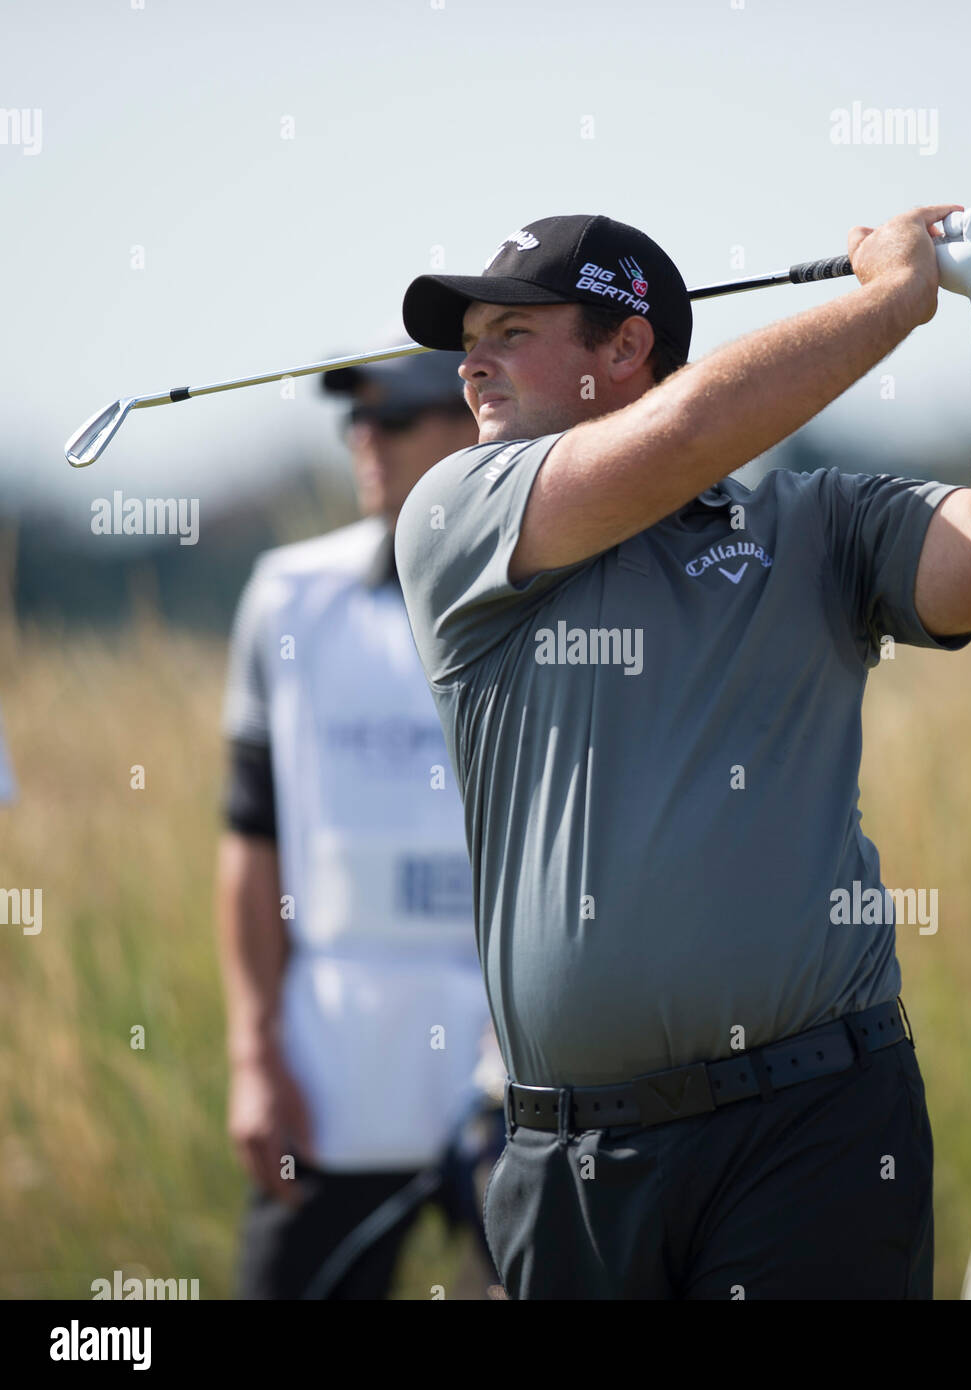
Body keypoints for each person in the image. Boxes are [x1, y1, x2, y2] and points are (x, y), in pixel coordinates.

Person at [392, 206, 971, 1299]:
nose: (470, 361)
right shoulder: (460, 513)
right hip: (571, 1157)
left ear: (624, 349)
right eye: (468, 335)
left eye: (512, 332)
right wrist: (888, 302)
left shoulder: (813, 523)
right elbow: (674, 440)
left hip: (812, 1123)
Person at [216, 343, 505, 1300]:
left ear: (472, 420)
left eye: (395, 417)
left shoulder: (553, 587)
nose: (365, 439)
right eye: (356, 421)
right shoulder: (287, 598)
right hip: (337, 1055)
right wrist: (254, 1056)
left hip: (517, 1044)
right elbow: (249, 842)